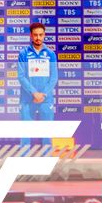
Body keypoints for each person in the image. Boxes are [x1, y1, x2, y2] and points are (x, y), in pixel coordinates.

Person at [16, 20, 60, 153]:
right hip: (27, 99)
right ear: (31, 35)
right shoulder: (23, 53)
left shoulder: (51, 54)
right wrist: (34, 93)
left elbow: (54, 77)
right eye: (35, 35)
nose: (38, 38)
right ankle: (23, 165)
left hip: (46, 100)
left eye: (41, 35)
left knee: (47, 133)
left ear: (44, 35)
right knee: (25, 134)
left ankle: (46, 163)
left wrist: (43, 94)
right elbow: (21, 76)